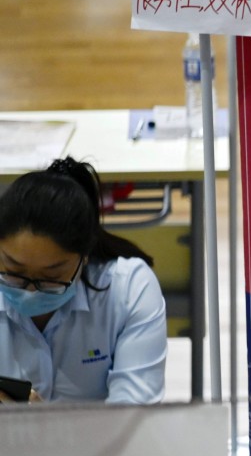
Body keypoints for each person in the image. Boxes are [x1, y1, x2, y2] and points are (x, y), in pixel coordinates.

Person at [0, 157, 167, 404]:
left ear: (85, 257)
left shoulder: (128, 290)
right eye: (14, 271)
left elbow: (134, 417)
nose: (31, 291)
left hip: (100, 443)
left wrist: (51, 430)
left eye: (51, 278)